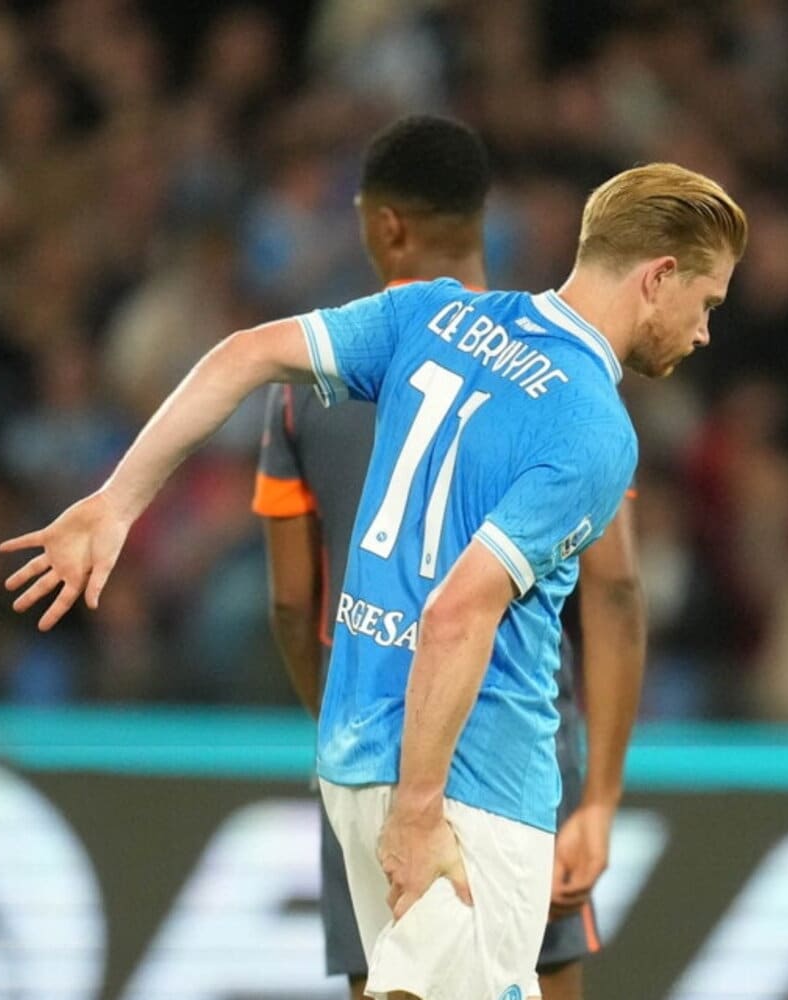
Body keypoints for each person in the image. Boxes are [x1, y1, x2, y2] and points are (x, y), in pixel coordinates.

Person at [5, 161, 746, 1000]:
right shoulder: (593, 428)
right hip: (471, 783)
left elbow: (246, 354)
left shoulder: (435, 313)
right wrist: (422, 810)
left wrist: (116, 501)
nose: (704, 332)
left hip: (357, 758)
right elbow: (458, 612)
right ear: (658, 277)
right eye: (708, 303)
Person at [253, 115, 646, 1000]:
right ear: (480, 219)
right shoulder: (562, 383)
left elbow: (289, 602)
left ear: (385, 224)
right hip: (512, 749)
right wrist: (601, 796)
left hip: (365, 741)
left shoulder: (305, 394)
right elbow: (615, 592)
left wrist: (347, 728)